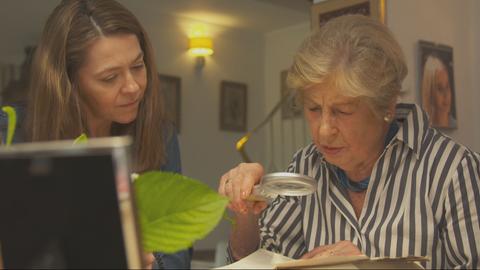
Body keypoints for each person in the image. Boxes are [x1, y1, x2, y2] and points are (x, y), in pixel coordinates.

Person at [218, 15, 480, 269]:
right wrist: (246, 210)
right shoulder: (306, 164)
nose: (323, 131)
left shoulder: (452, 169)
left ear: (386, 105)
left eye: (342, 111)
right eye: (313, 109)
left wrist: (368, 267)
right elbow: (257, 259)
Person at [1, 0, 188, 269]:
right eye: (110, 77)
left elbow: (178, 253)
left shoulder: (160, 135)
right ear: (68, 81)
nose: (134, 87)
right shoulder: (11, 133)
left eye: (138, 66)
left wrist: (152, 264)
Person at [421, 54, 456, 128]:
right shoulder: (424, 130)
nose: (446, 95)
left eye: (447, 87)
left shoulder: (455, 124)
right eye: (440, 88)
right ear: (430, 93)